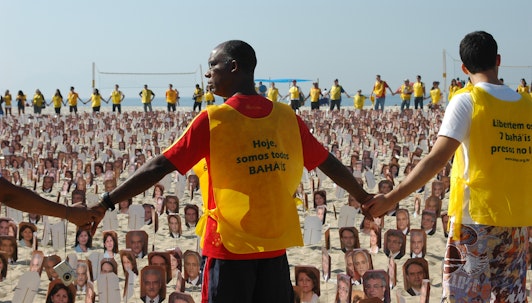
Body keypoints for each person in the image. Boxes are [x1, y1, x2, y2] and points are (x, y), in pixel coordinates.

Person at [89, 40, 371, 303]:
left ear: (233, 67)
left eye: (213, 66)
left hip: (229, 248)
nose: (208, 74)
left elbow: (160, 166)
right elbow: (328, 162)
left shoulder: (214, 120)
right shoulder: (287, 118)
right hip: (273, 249)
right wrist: (364, 197)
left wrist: (106, 202)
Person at [365, 31, 532, 302]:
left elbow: (436, 159)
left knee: (463, 296)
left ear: (464, 68)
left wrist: (392, 199)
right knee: (508, 296)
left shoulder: (467, 100)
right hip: (518, 222)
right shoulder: (527, 105)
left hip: (474, 218)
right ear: (498, 60)